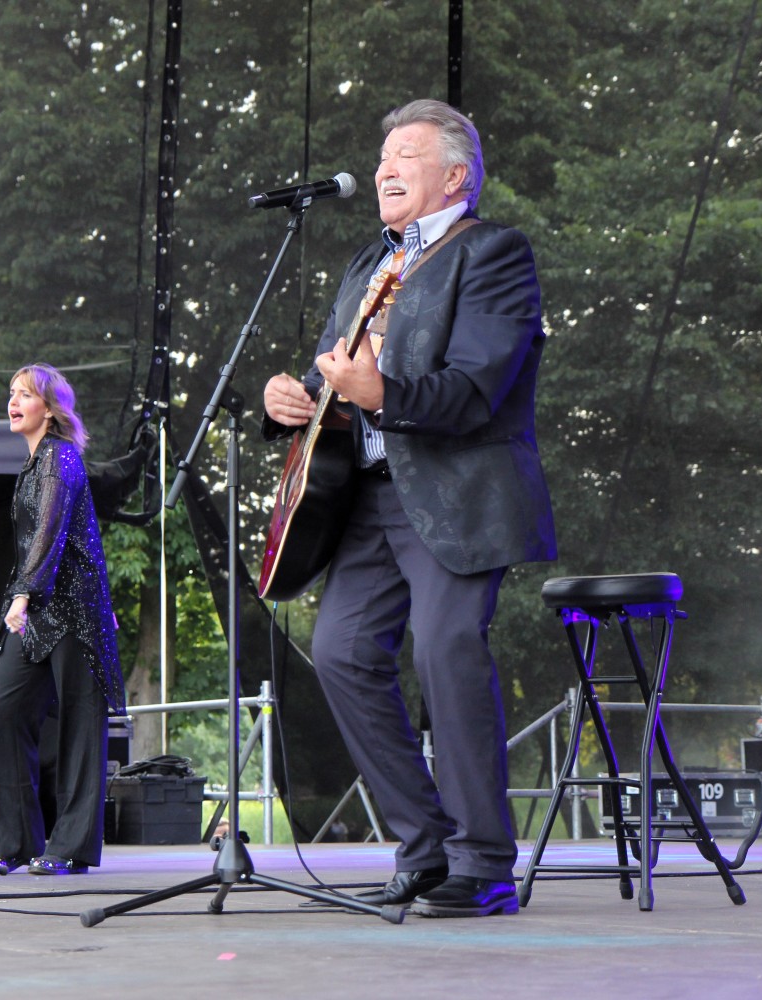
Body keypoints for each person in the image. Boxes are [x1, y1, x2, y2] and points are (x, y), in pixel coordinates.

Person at [262, 99, 556, 917]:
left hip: (456, 495)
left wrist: (380, 393)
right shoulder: (370, 262)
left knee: (447, 649)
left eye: (406, 155)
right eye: (383, 156)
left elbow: (476, 388)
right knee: (341, 652)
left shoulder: (493, 253)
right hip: (365, 496)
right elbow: (332, 375)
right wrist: (291, 400)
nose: (385, 168)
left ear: (455, 176)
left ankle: (483, 862)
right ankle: (424, 847)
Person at [0, 363, 126, 875]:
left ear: (50, 408)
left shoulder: (60, 457)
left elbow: (50, 530)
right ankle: (14, 842)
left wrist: (22, 594)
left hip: (74, 609)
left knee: (81, 726)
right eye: (11, 393)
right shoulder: (33, 462)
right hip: (40, 607)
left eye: (25, 394)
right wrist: (26, 595)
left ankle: (71, 849)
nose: (13, 402)